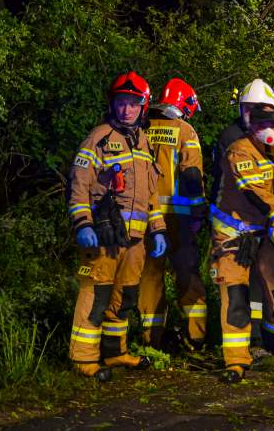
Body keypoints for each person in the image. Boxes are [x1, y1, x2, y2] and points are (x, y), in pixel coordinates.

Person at [67, 71, 167, 381]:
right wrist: (83, 223)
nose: (126, 110)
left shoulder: (145, 143)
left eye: (133, 104)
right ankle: (83, 358)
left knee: (125, 297)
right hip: (103, 234)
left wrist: (159, 228)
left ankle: (115, 352)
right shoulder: (99, 138)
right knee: (96, 295)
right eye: (121, 103)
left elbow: (150, 193)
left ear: (143, 107)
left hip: (134, 240)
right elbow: (79, 185)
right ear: (113, 105)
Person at [210, 103, 274, 384]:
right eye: (261, 126)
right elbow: (255, 194)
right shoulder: (239, 150)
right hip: (234, 232)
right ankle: (236, 361)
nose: (268, 131)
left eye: (272, 125)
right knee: (236, 295)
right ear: (251, 127)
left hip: (267, 232)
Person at [138, 78, 208, 351]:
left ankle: (151, 340)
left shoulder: (142, 129)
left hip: (147, 216)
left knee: (150, 276)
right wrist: (198, 210)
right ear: (184, 104)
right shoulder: (185, 131)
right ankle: (196, 336)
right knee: (187, 274)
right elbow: (192, 174)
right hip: (179, 217)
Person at [210, 79, 274, 343]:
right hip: (234, 224)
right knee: (236, 285)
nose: (252, 115)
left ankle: (264, 336)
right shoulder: (232, 138)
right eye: (247, 108)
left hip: (262, 223)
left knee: (264, 283)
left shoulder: (272, 140)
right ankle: (242, 343)